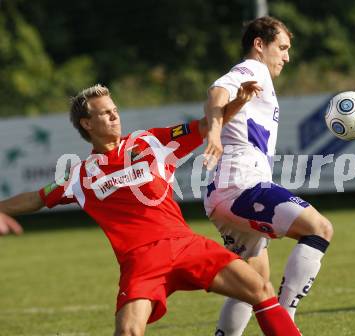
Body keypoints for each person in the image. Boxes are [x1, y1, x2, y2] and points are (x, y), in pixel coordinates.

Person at [0, 84, 302, 336]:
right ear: (87, 124)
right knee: (129, 331)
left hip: (184, 244)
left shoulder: (152, 141)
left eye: (114, 109)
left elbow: (205, 125)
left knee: (260, 288)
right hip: (142, 261)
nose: (114, 115)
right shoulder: (81, 175)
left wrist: (239, 101)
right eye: (104, 113)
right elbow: (36, 198)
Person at [203, 16, 334, 335]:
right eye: (283, 47)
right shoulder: (253, 68)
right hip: (240, 186)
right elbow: (218, 91)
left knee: (254, 286)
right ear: (259, 45)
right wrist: (214, 133)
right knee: (319, 228)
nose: (287, 57)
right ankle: (286, 319)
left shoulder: (259, 78)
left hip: (223, 192)